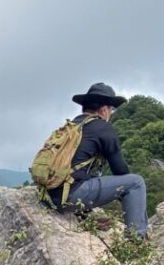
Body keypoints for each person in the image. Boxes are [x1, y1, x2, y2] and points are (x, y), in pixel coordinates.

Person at [42, 82, 149, 238]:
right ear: (104, 110)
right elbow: (120, 170)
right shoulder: (103, 128)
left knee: (88, 177)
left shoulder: (72, 126)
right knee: (136, 183)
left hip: (49, 195)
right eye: (111, 110)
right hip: (68, 197)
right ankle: (136, 240)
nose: (111, 114)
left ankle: (85, 217)